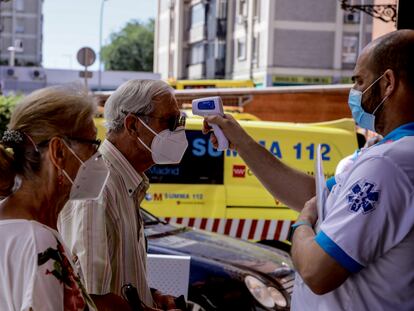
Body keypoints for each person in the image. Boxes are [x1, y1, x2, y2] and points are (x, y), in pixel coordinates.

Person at [202, 30, 414, 310]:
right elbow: (310, 195)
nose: (354, 93)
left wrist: (302, 225)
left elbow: (317, 270)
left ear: (387, 83)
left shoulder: (387, 164)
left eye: (359, 81)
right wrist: (239, 140)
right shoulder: (385, 153)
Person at [58, 79, 187, 310]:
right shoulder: (98, 185)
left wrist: (153, 297)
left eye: (179, 121)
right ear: (133, 125)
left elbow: (119, 281)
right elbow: (93, 296)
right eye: (170, 121)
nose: (177, 131)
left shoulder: (124, 182)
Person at [0, 86, 115, 310]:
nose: (98, 157)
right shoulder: (37, 241)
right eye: (93, 145)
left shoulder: (18, 226)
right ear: (59, 151)